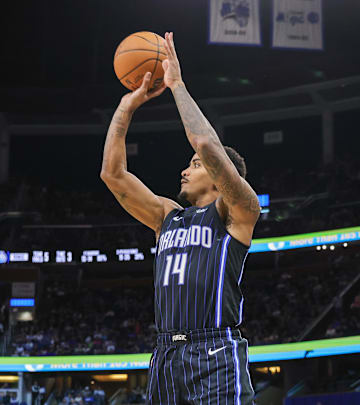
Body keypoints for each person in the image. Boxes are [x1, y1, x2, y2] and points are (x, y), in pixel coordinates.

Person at [100, 32, 258, 404]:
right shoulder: (166, 217)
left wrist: (176, 86)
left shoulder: (237, 213)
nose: (185, 171)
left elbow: (205, 144)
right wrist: (126, 107)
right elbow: (112, 175)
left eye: (195, 166)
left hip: (215, 351)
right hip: (166, 355)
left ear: (220, 178)